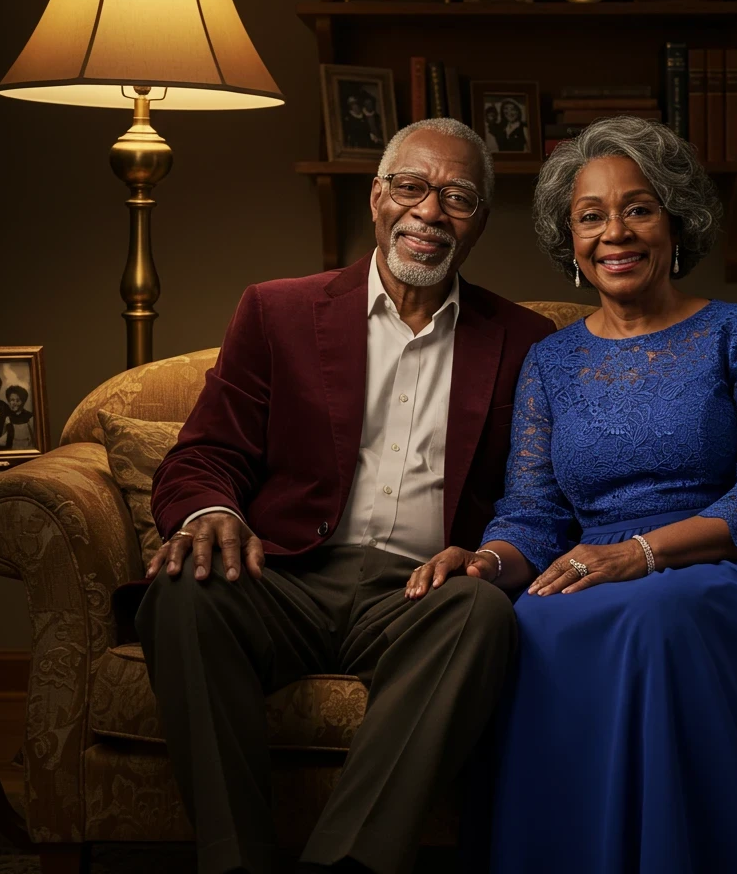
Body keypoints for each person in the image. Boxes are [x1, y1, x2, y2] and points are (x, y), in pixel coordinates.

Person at [406, 117, 737, 873]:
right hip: (599, 568)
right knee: (527, 625)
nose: (614, 233)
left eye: (638, 208)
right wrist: (487, 562)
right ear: (570, 239)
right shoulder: (550, 362)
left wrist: (642, 554)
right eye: (591, 216)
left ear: (675, 220)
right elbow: (535, 513)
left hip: (729, 569)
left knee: (657, 617)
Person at [135, 117, 556, 874]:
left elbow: (546, 489)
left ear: (482, 221)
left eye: (458, 197)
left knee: (482, 611)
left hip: (420, 594)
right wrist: (213, 512)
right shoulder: (278, 311)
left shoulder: (526, 341)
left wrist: (491, 556)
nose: (430, 212)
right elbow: (206, 452)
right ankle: (234, 862)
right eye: (410, 186)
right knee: (181, 589)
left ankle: (346, 864)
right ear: (376, 198)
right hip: (284, 577)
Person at [1, 385, 35, 450]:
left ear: (23, 402)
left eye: (18, 400)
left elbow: (35, 438)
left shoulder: (29, 417)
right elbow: (3, 439)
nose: (14, 403)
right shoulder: (7, 418)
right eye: (12, 400)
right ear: (8, 401)